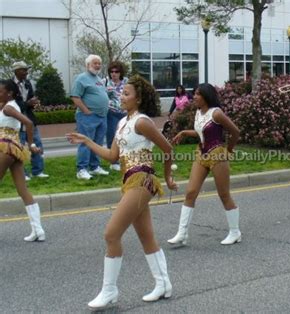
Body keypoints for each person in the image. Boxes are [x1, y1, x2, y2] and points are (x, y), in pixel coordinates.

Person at [66, 75, 177, 309]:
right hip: (128, 180)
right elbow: (112, 156)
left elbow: (167, 148)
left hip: (143, 179)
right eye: (122, 93)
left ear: (138, 99)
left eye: (126, 93)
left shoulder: (142, 122)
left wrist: (168, 178)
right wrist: (86, 140)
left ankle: (109, 290)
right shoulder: (122, 123)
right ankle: (163, 284)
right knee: (146, 236)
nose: (121, 97)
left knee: (111, 234)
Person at [167, 83, 242, 246]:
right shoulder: (198, 113)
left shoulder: (217, 113)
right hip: (201, 154)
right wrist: (185, 132)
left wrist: (228, 150)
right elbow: (201, 132)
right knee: (191, 192)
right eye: (194, 94)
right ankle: (182, 233)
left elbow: (235, 132)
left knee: (224, 194)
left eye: (198, 94)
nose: (194, 97)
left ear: (206, 96)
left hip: (217, 155)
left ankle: (235, 232)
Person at [0, 79, 46, 241]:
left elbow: (28, 122)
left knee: (23, 190)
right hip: (15, 150)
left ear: (9, 93)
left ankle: (38, 230)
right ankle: (38, 230)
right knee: (23, 190)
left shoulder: (8, 108)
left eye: (0, 91)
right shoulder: (7, 106)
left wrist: (31, 143)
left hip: (5, 148)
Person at [71, 54, 110, 180]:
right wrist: (86, 111)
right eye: (95, 63)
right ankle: (81, 169)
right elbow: (75, 97)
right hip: (87, 117)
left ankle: (94, 167)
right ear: (88, 65)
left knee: (97, 143)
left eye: (99, 63)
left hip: (102, 117)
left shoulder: (98, 79)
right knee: (85, 143)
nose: (98, 65)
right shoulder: (81, 78)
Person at [12, 61, 49, 180]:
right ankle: (23, 173)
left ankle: (38, 171)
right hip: (16, 121)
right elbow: (12, 105)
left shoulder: (28, 83)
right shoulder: (9, 85)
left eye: (26, 70)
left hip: (29, 119)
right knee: (19, 148)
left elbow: (30, 100)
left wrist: (34, 104)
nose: (26, 72)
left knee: (37, 144)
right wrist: (28, 103)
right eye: (23, 70)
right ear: (16, 71)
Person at [103, 61, 128, 171]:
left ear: (120, 72)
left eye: (116, 71)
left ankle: (125, 159)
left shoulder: (127, 82)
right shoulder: (105, 81)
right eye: (112, 71)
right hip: (111, 112)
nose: (114, 73)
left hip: (124, 113)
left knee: (125, 137)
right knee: (112, 137)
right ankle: (113, 162)